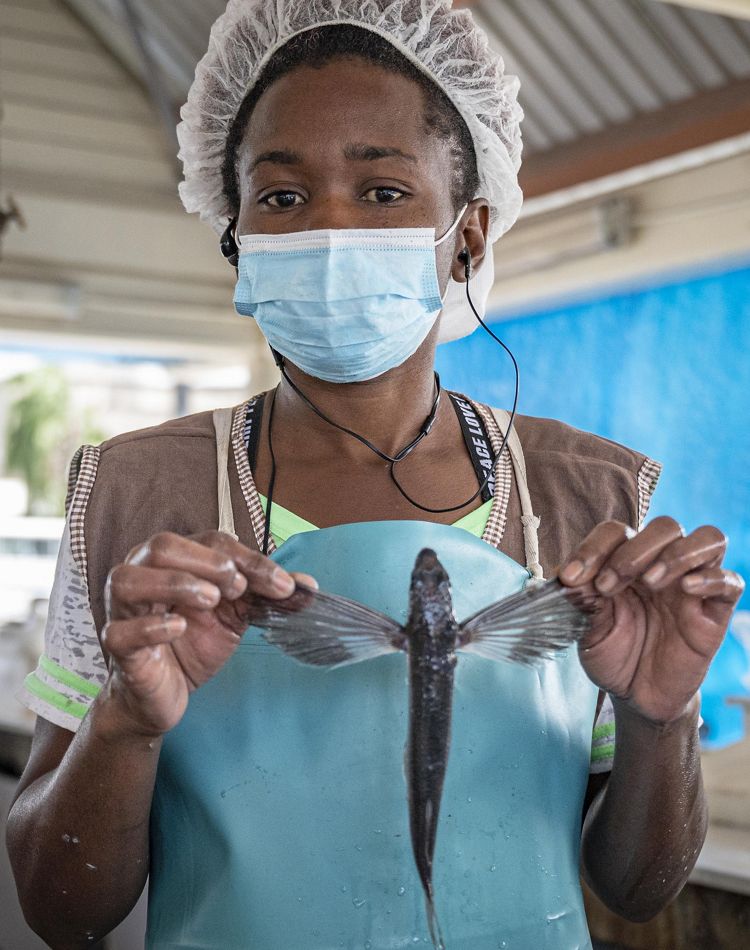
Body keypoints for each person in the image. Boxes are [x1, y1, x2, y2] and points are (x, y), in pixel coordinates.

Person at [6, 2, 744, 948]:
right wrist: (124, 723)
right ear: (235, 239)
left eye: (384, 192)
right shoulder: (133, 495)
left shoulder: (588, 498)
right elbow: (60, 909)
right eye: (281, 197)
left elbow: (636, 888)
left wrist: (662, 713)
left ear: (469, 235)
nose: (328, 228)